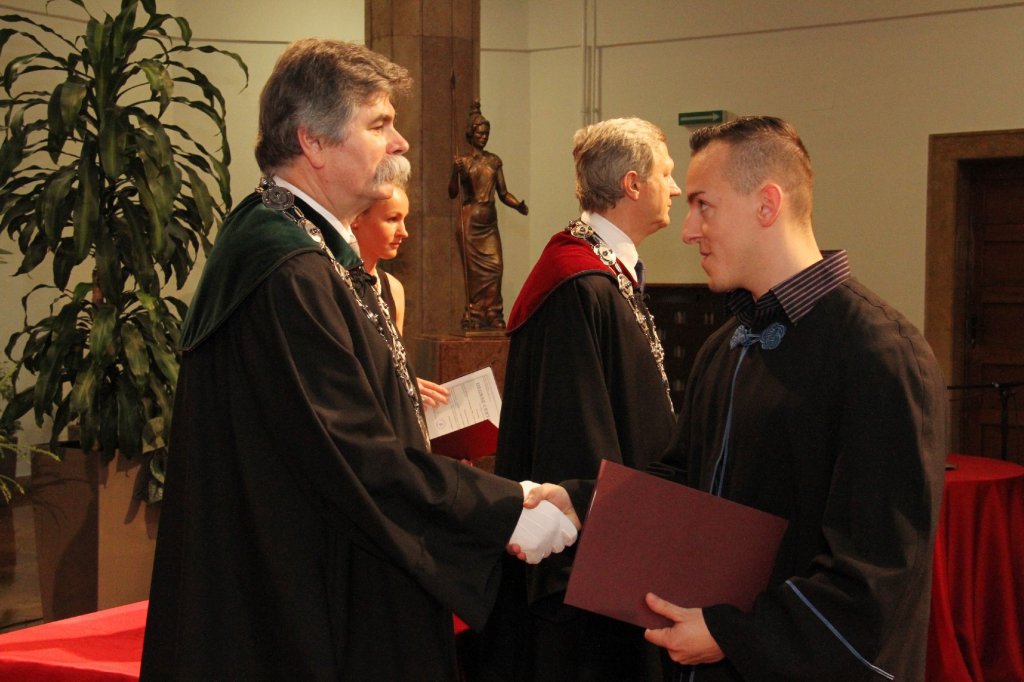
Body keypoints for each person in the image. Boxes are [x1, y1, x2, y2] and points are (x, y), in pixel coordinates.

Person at [141, 39, 579, 681]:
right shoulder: (287, 267)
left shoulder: (309, 243)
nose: (401, 143)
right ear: (313, 141)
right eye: (380, 124)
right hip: (304, 592)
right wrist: (503, 508)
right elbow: (353, 452)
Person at [642, 116, 947, 681]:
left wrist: (733, 634)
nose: (687, 230)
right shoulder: (726, 347)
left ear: (767, 205)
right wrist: (581, 505)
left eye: (704, 206)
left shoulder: (880, 353)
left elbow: (879, 569)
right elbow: (683, 481)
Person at [480, 118, 680, 681]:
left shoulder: (604, 273)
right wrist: (606, 519)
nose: (676, 188)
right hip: (596, 574)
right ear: (633, 184)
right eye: (667, 174)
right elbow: (576, 433)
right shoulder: (578, 283)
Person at [351, 174, 448, 407]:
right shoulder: (332, 280)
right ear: (356, 218)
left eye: (404, 219)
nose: (404, 232)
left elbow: (395, 365)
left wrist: (410, 385)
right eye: (393, 219)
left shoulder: (393, 288)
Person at [448, 100, 528, 332]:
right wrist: (455, 173)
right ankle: (474, 314)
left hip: (489, 223)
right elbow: (452, 193)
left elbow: (503, 193)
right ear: (471, 134)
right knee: (473, 275)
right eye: (480, 133)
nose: (483, 137)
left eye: (486, 134)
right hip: (470, 222)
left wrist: (517, 205)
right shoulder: (463, 162)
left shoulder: (494, 161)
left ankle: (493, 314)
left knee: (496, 268)